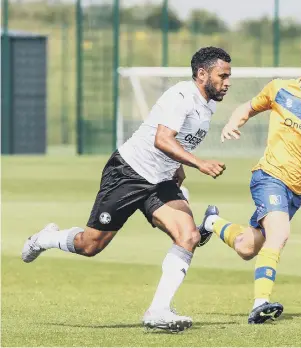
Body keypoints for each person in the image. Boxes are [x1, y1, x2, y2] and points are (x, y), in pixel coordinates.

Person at [22, 46, 232, 333]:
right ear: (202, 73)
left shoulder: (208, 104)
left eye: (228, 76)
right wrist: (198, 164)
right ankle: (46, 238)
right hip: (128, 173)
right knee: (90, 245)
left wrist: (178, 167)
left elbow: (178, 141)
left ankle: (157, 310)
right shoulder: (182, 96)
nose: (227, 82)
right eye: (223, 76)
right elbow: (162, 139)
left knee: (189, 235)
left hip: (160, 180)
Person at [198, 38, 301, 324]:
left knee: (248, 248)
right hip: (268, 176)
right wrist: (233, 123)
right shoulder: (279, 89)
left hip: (296, 189)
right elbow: (246, 108)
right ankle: (260, 303)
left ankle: (211, 223)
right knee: (280, 235)